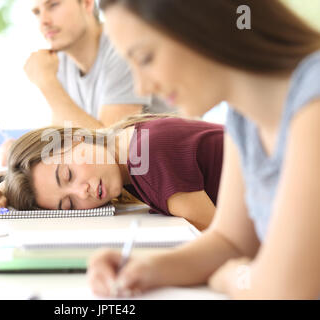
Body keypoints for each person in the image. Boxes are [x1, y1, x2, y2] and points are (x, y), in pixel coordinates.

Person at [86, 0, 320, 299]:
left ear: (202, 23)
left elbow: (285, 288)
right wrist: (147, 268)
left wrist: (230, 278)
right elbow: (231, 242)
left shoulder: (313, 103)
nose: (142, 87)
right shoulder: (244, 118)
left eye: (144, 58)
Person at [0, 114, 224, 231]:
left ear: (73, 139)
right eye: (69, 204)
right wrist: (3, 190)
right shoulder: (127, 151)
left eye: (67, 175)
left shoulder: (147, 157)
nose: (82, 191)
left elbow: (226, 240)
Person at [0, 0, 170, 166]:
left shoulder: (122, 47)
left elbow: (111, 150)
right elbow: (60, 140)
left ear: (87, 3)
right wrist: (23, 152)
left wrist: (47, 84)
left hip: (163, 173)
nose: (43, 21)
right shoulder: (60, 62)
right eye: (37, 12)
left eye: (53, 5)